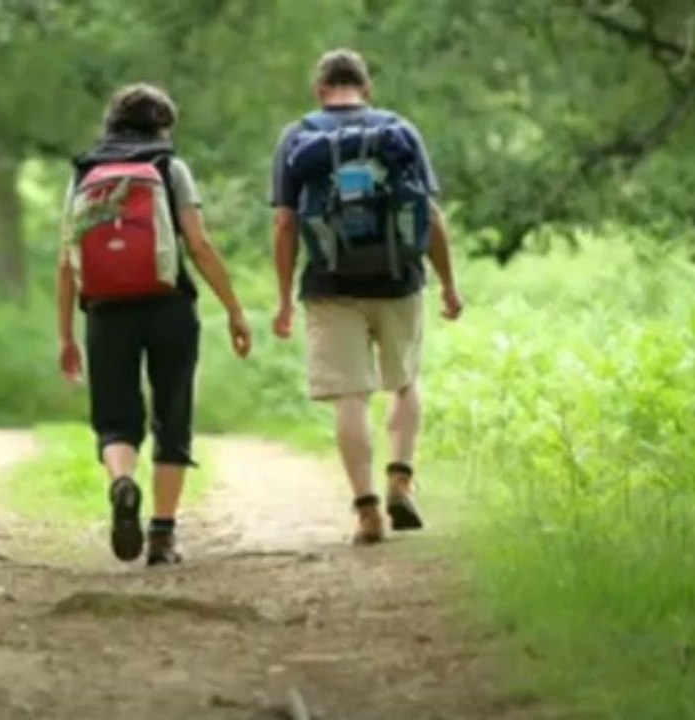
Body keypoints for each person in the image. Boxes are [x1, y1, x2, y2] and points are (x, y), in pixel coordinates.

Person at [269, 49, 463, 545]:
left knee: (350, 398)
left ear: (320, 90)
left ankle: (367, 511)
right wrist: (448, 285)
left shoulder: (299, 136)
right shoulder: (399, 130)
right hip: (399, 280)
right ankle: (400, 477)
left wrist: (286, 299)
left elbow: (286, 223)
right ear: (366, 87)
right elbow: (430, 214)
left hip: (331, 285)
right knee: (404, 382)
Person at [57, 83, 252, 566]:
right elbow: (199, 245)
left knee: (115, 418)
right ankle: (162, 535)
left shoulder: (86, 172)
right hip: (169, 306)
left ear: (111, 123)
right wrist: (233, 308)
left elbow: (66, 260)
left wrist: (65, 334)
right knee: (173, 413)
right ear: (163, 126)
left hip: (104, 310)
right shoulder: (170, 168)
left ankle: (123, 483)